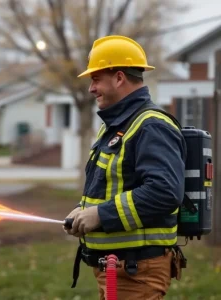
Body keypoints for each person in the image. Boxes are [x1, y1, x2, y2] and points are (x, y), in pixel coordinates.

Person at [64, 35, 186, 300]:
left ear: (119, 78)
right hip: (116, 268)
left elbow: (164, 192)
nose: (91, 89)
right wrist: (84, 211)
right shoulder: (115, 127)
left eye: (96, 79)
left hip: (136, 272)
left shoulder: (151, 125)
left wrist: (100, 215)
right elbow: (112, 185)